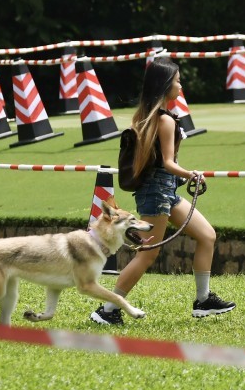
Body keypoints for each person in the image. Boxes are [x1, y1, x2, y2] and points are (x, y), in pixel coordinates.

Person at [91, 56, 235, 325]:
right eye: (178, 80)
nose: (181, 85)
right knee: (148, 255)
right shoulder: (165, 120)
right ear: (166, 85)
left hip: (165, 192)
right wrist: (192, 174)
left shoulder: (150, 117)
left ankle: (203, 301)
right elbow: (168, 163)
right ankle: (108, 310)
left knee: (206, 235)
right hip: (157, 194)